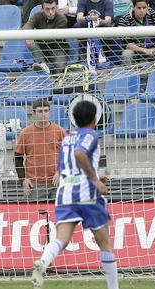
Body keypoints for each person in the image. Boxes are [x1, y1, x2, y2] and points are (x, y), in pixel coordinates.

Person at [31, 100, 118, 289]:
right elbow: (80, 154)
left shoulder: (67, 138)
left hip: (65, 193)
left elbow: (70, 164)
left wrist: (95, 175)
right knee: (105, 242)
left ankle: (44, 262)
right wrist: (95, 180)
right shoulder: (91, 134)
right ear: (95, 118)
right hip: (87, 194)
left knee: (61, 239)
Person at [14, 98, 66, 201]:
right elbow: (18, 158)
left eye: (46, 111)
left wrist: (61, 172)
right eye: (40, 111)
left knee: (59, 214)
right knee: (34, 214)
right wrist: (23, 180)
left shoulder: (59, 131)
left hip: (57, 181)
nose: (43, 114)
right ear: (34, 113)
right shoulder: (26, 133)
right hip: (35, 184)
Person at [117, 0, 155, 65]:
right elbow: (127, 44)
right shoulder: (125, 19)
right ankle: (129, 76)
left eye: (144, 8)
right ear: (133, 7)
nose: (142, 10)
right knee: (126, 54)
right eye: (139, 8)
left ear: (148, 6)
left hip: (153, 49)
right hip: (135, 50)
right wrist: (145, 50)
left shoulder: (153, 14)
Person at [22, 0, 69, 72]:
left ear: (56, 8)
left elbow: (52, 37)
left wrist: (34, 34)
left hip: (57, 49)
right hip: (41, 49)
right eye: (47, 9)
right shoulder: (37, 16)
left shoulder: (62, 19)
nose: (50, 12)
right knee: (29, 40)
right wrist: (29, 36)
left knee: (60, 67)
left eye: (53, 8)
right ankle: (41, 64)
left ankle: (53, 80)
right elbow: (26, 27)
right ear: (42, 9)